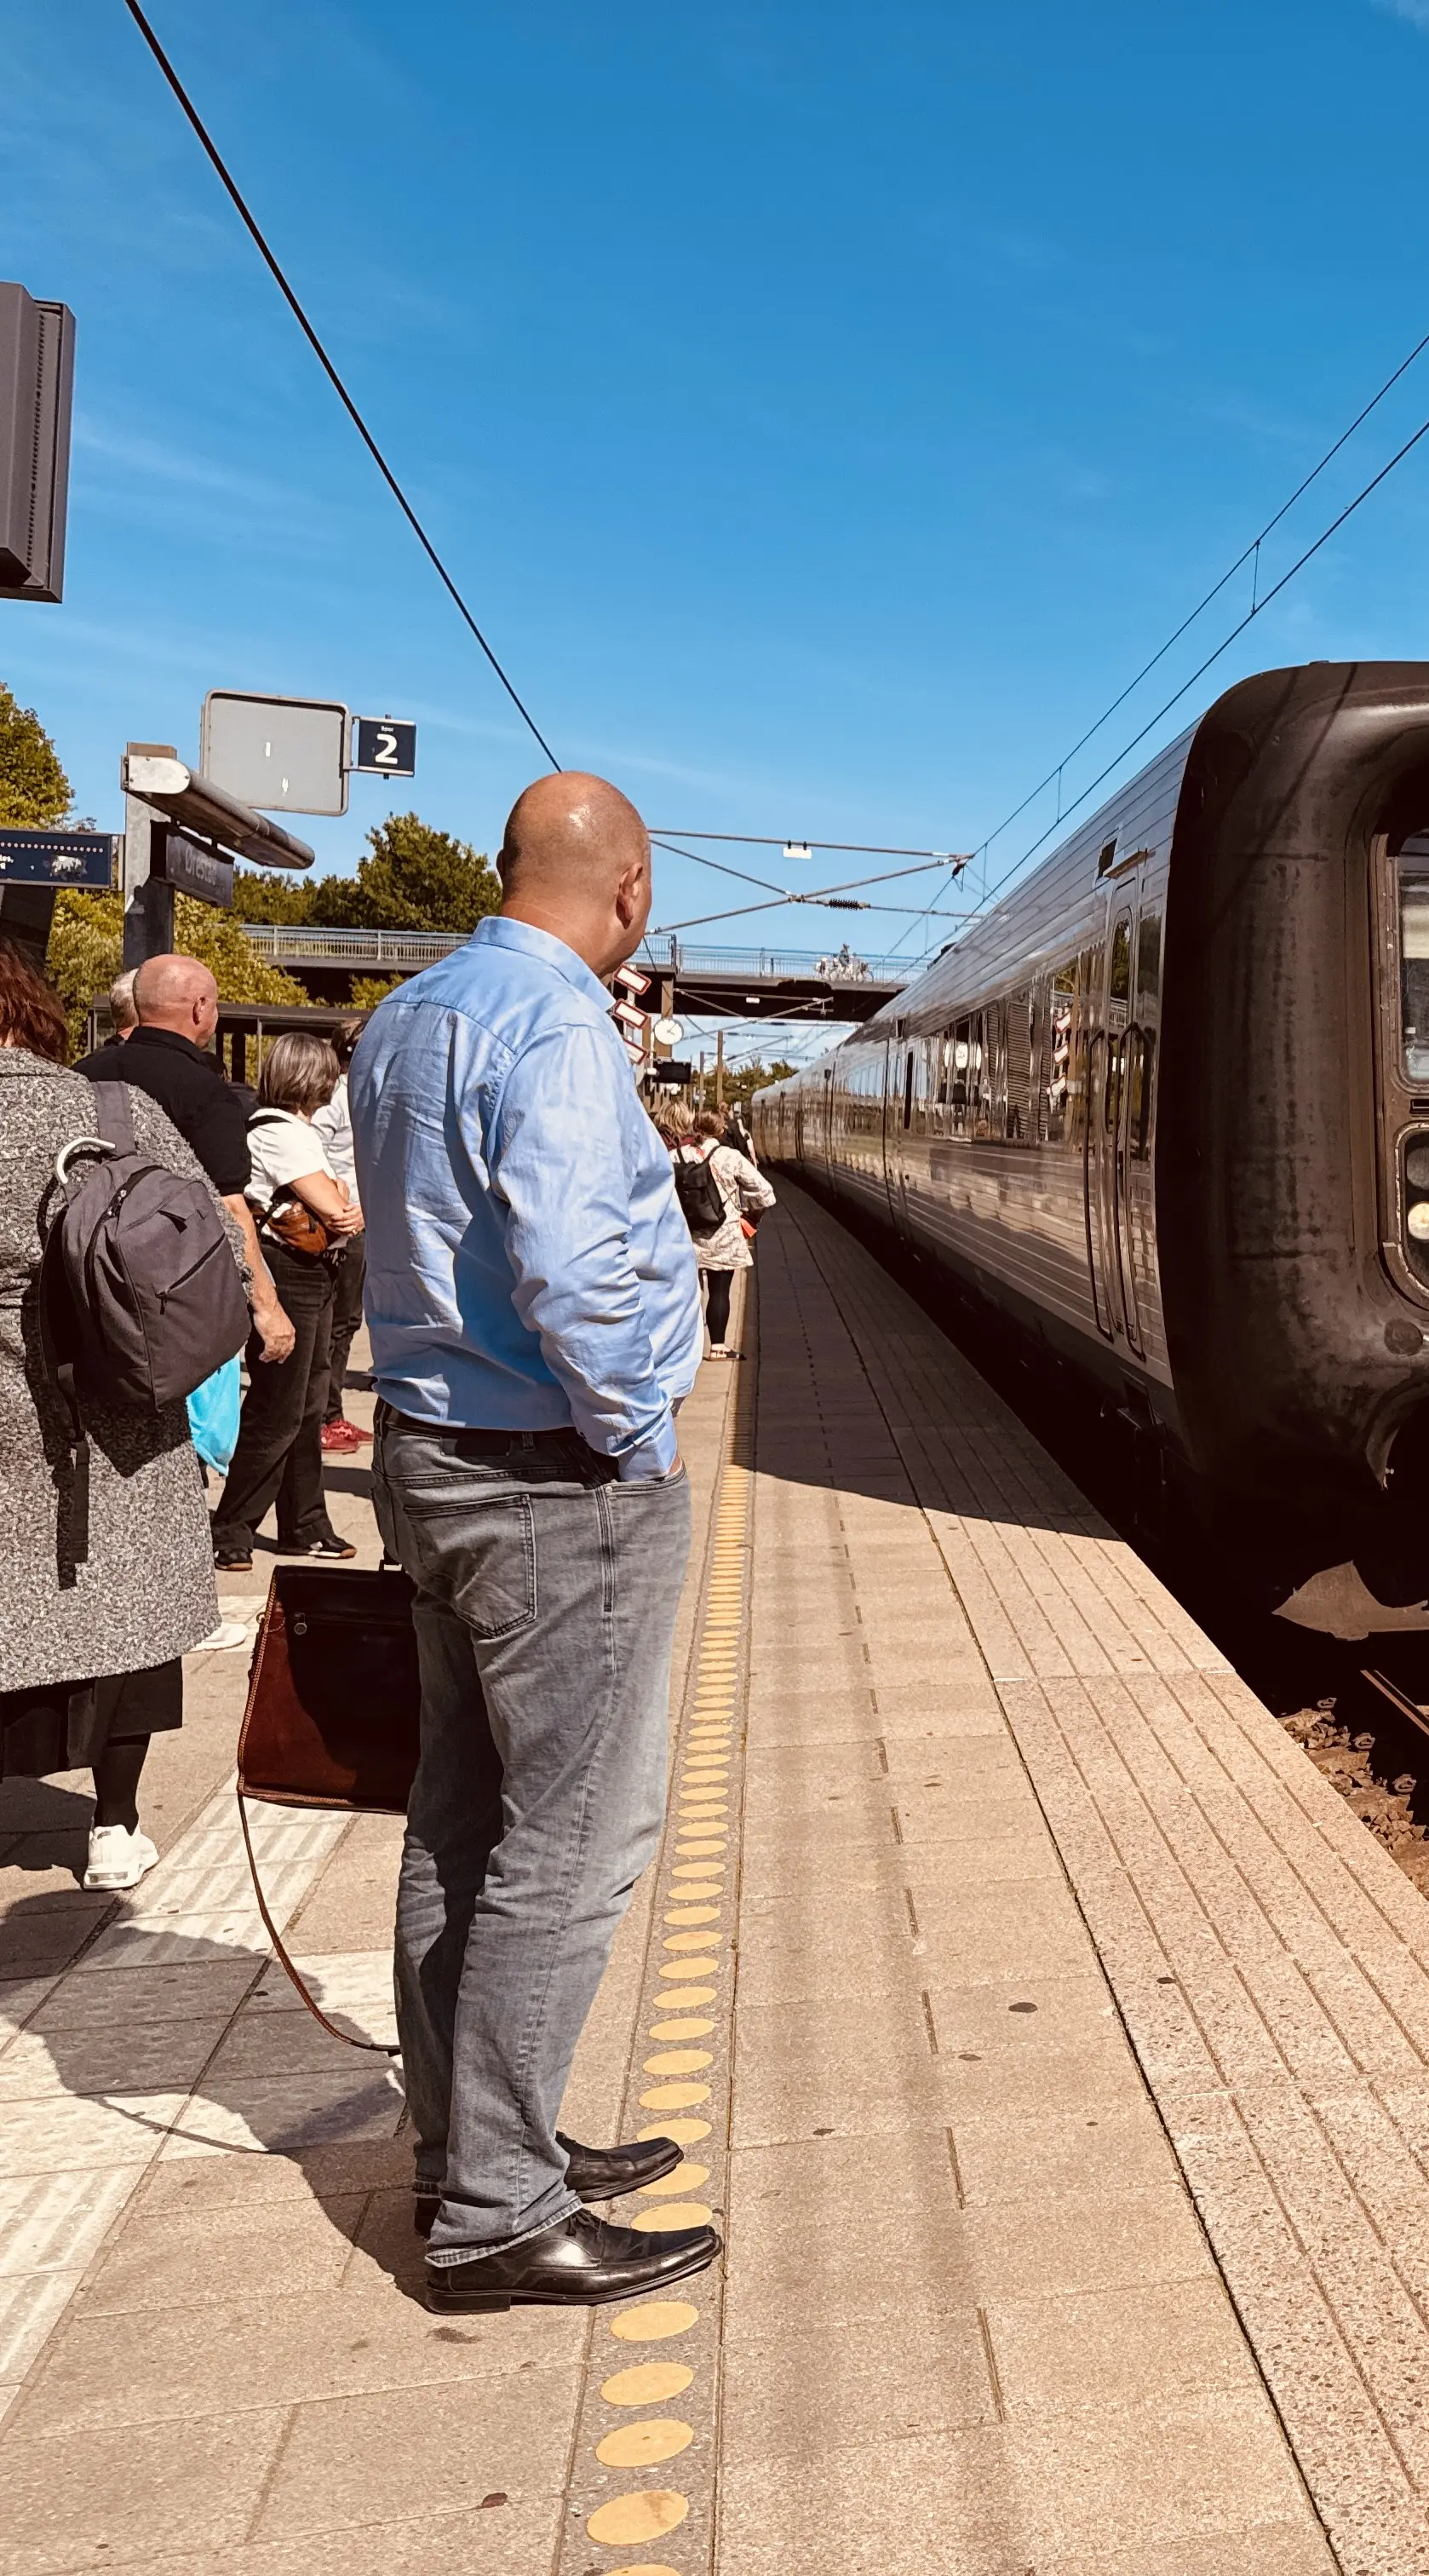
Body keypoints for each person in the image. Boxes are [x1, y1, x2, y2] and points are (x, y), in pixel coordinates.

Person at [353, 770, 717, 2309]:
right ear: (628, 889)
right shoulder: (561, 1026)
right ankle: (502, 2208)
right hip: (550, 1478)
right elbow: (579, 1270)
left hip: (428, 1455)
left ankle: (470, 2144)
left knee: (461, 1818)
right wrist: (636, 1435)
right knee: (573, 1843)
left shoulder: (406, 1015)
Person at [0, 947, 221, 1893]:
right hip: (118, 1406)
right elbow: (200, 1242)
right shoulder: (108, 1112)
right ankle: (115, 1825)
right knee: (126, 1612)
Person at [75, 953, 296, 1374]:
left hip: (83, 1280)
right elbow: (230, 1206)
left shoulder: (82, 1074)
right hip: (174, 1298)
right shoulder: (206, 1092)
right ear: (199, 1009)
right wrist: (266, 1306)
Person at [210, 1034, 365, 1571]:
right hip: (291, 1273)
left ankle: (305, 1522)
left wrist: (341, 1196)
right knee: (279, 1407)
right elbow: (339, 1211)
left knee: (304, 1404)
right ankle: (232, 1525)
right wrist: (342, 1196)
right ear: (315, 1078)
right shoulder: (285, 1134)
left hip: (312, 1271)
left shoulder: (288, 1131)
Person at [674, 1100, 778, 1356]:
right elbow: (766, 1193)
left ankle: (686, 1349)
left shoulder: (674, 1156)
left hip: (683, 1235)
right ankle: (718, 1348)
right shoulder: (730, 1157)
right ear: (721, 1131)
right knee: (719, 1290)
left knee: (688, 1293)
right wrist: (751, 1217)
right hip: (723, 1232)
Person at [313, 1016, 369, 1457]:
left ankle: (332, 1412)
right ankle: (324, 1416)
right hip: (341, 1219)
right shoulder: (336, 1097)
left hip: (361, 1219)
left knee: (349, 1321)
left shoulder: (363, 1094)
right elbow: (315, 1150)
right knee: (336, 1323)